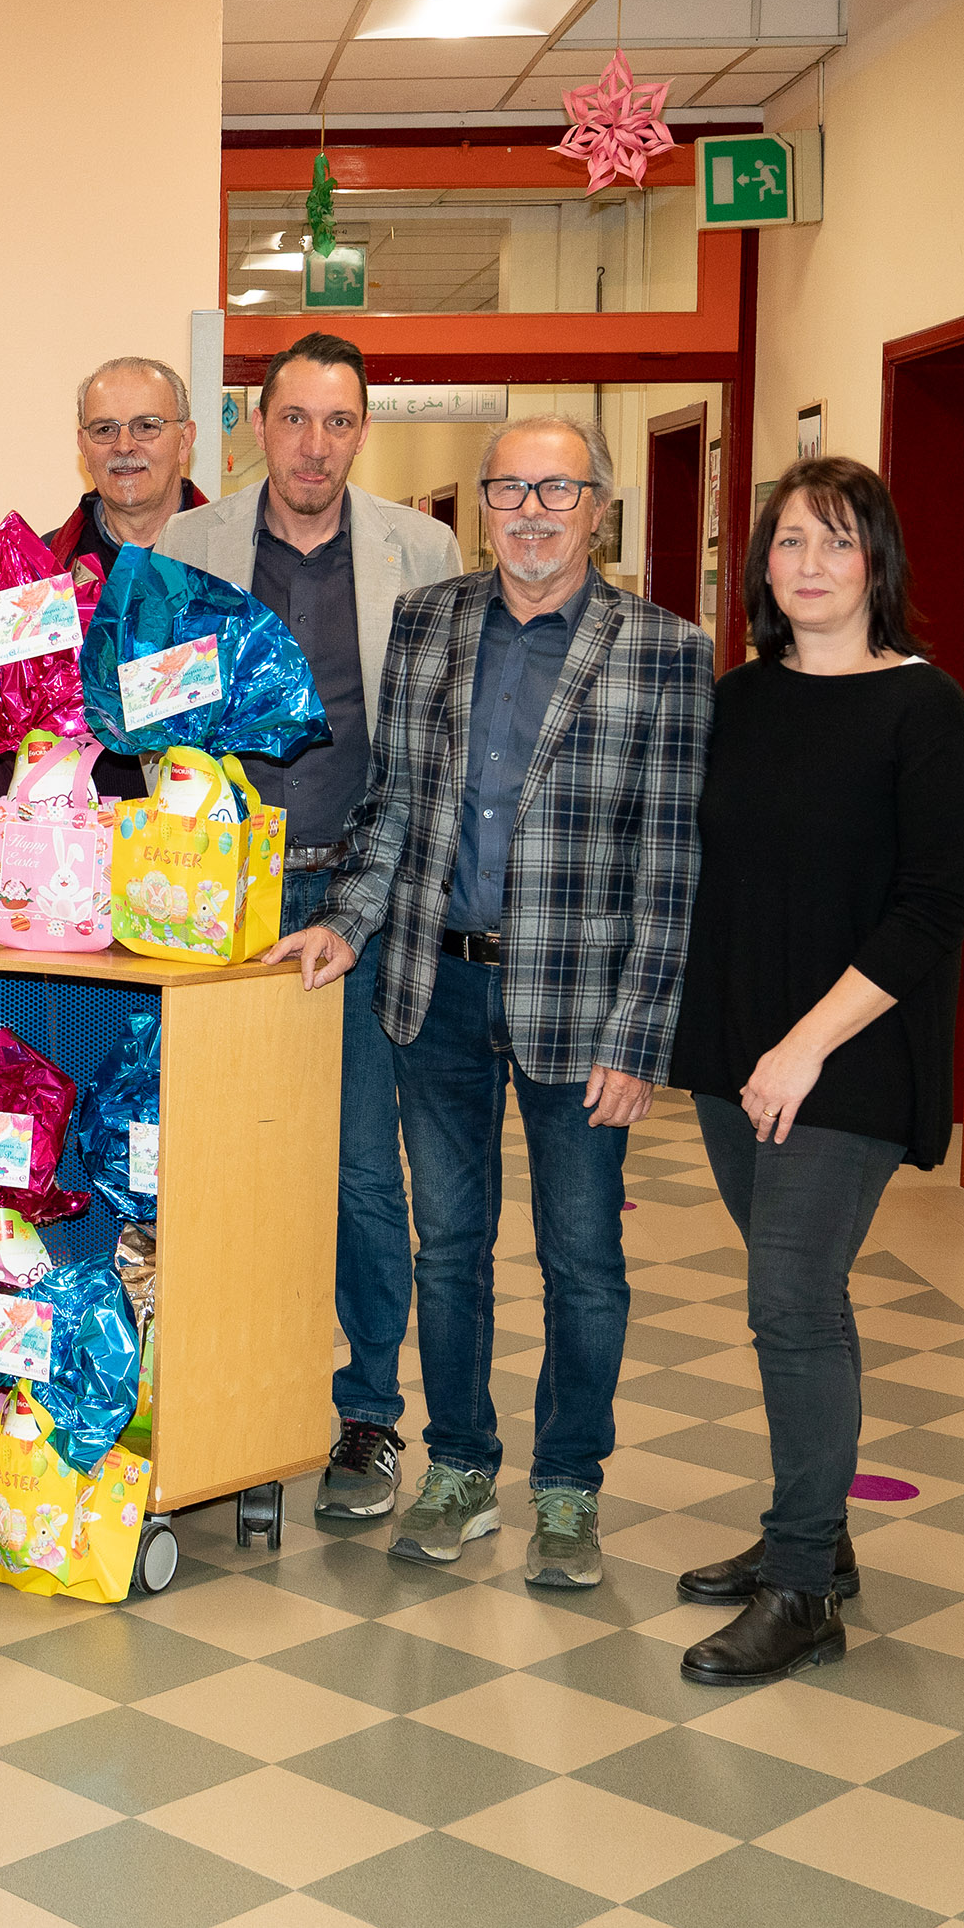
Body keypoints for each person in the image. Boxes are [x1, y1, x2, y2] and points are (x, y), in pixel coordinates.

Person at [269, 416, 713, 1593]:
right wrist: (348, 921)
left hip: (581, 1003)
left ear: (598, 507)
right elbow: (393, 810)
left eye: (557, 490)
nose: (531, 511)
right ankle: (460, 1466)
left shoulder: (666, 650)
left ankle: (569, 1486)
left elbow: (671, 864)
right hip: (438, 985)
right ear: (482, 503)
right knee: (451, 1246)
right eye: (509, 488)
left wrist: (642, 1035)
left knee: (583, 1260)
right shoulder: (429, 623)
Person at [667, 460, 964, 1686]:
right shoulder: (739, 700)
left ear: (878, 565)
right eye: (791, 541)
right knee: (798, 1297)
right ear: (763, 566)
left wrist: (808, 1042)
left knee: (791, 1300)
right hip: (738, 1055)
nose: (811, 564)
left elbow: (932, 907)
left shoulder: (925, 710)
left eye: (838, 541)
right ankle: (819, 1532)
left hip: (846, 1059)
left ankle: (802, 1587)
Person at [162, 334, 463, 1520]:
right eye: (294, 419)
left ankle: (367, 1413)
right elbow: (151, 720)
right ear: (258, 425)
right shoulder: (189, 546)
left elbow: (431, 750)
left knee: (358, 1169)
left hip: (359, 900)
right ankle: (221, 1398)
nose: (315, 446)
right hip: (213, 904)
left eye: (339, 422)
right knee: (209, 1157)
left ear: (361, 433)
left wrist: (361, 899)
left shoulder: (421, 553)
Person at [49, 355, 211, 579]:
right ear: (83, 447)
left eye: (146, 426)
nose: (124, 446)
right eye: (105, 429)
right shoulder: (43, 569)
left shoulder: (239, 557)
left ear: (184, 441)